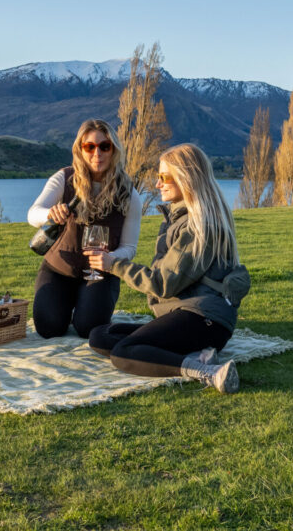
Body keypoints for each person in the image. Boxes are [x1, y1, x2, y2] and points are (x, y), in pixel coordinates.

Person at [89, 143, 241, 394]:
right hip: (191, 315)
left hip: (205, 320)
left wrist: (114, 264)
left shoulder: (197, 225)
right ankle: (199, 354)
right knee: (100, 336)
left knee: (123, 352)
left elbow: (162, 283)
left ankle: (207, 372)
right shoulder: (179, 217)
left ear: (186, 179)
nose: (157, 184)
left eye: (163, 177)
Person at [28, 119, 142, 338]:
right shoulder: (64, 178)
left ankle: (85, 306)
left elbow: (130, 247)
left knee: (88, 328)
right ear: (80, 150)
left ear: (113, 150)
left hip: (100, 273)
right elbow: (33, 213)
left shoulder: (129, 193)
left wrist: (111, 258)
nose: (96, 153)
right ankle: (67, 303)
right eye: (89, 146)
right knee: (48, 327)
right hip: (59, 268)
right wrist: (49, 214)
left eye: (104, 146)